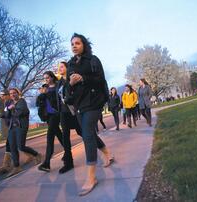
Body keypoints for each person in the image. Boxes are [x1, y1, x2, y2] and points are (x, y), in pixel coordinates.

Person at [66, 33, 113, 196]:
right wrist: (71, 84)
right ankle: (106, 152)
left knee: (87, 134)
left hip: (94, 102)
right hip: (79, 105)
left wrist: (83, 78)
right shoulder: (70, 64)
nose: (74, 46)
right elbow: (68, 89)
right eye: (72, 44)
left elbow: (100, 80)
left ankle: (91, 177)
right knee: (89, 134)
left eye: (77, 43)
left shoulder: (93, 60)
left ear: (84, 45)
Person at [59, 61, 114, 174]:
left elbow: (77, 94)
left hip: (77, 110)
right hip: (65, 113)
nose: (59, 68)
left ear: (67, 68)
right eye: (58, 67)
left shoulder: (74, 77)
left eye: (61, 66)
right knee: (66, 137)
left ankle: (106, 153)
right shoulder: (59, 83)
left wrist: (68, 98)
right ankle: (68, 161)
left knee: (88, 134)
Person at [5, 88, 41, 177]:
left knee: (21, 146)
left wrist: (11, 109)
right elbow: (7, 115)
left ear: (18, 93)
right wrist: (8, 110)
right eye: (11, 93)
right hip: (11, 128)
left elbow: (19, 113)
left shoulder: (22, 102)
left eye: (14, 93)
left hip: (21, 127)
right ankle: (17, 167)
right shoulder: (10, 104)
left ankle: (36, 154)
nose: (12, 95)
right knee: (12, 147)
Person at [38, 71, 64, 172]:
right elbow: (38, 103)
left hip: (56, 114)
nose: (46, 80)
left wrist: (45, 94)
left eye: (48, 77)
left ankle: (47, 163)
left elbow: (56, 100)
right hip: (48, 116)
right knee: (59, 135)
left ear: (52, 77)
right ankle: (68, 152)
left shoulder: (57, 87)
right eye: (45, 78)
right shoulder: (45, 89)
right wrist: (42, 95)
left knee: (50, 137)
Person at [0, 90, 13, 174]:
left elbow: (11, 114)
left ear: (7, 95)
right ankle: (34, 156)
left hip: (14, 126)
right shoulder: (6, 103)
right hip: (10, 126)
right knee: (16, 145)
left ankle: (6, 166)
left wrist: (6, 113)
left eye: (3, 95)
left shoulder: (12, 102)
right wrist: (1, 116)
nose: (2, 97)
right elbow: (6, 114)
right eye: (1, 96)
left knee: (10, 145)